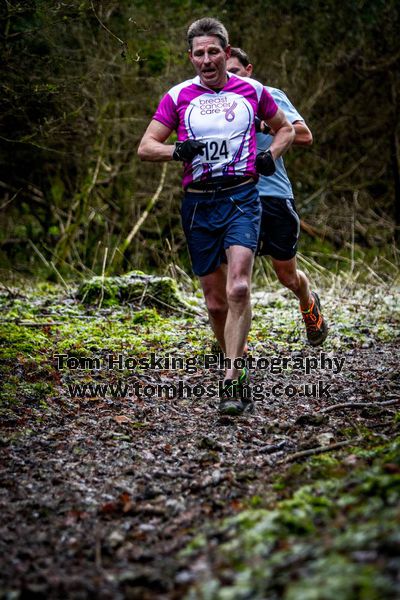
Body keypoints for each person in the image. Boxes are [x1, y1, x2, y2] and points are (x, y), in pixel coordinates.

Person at [138, 18, 295, 415]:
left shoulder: (253, 91)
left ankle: (233, 378)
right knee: (214, 303)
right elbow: (146, 147)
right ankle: (230, 352)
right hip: (198, 204)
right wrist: (177, 152)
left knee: (238, 288)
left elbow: (287, 130)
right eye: (199, 53)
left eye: (213, 52)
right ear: (190, 57)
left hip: (242, 197)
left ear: (226, 53)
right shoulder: (177, 96)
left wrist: (268, 156)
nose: (206, 60)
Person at [226, 48, 328, 346]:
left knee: (286, 276)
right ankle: (232, 342)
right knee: (235, 278)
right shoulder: (214, 103)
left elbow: (304, 134)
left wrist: (262, 126)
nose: (231, 77)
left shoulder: (268, 95)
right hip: (233, 198)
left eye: (236, 70)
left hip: (273, 196)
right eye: (226, 72)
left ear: (249, 70)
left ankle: (308, 303)